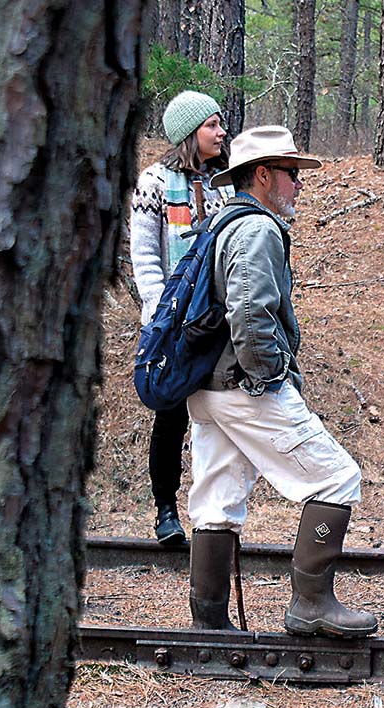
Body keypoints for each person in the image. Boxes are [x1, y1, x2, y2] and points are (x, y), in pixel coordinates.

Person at [184, 125, 378, 637]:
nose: (298, 184)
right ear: (264, 175)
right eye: (292, 173)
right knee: (336, 477)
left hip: (208, 386)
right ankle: (311, 603)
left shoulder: (220, 222)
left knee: (218, 498)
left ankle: (209, 625)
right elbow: (250, 313)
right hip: (242, 384)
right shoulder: (257, 229)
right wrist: (270, 378)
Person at [129, 90, 232, 546]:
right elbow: (145, 255)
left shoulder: (228, 182)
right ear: (190, 133)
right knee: (170, 416)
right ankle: (166, 513)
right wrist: (159, 314)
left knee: (222, 415)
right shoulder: (153, 182)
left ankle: (215, 517)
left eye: (220, 123)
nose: (221, 132)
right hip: (174, 320)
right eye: (212, 125)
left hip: (219, 318)